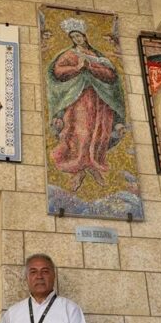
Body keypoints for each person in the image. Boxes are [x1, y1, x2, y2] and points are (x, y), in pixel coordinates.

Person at [46, 18, 126, 192]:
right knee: (80, 131)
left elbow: (111, 75)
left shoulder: (97, 56)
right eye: (73, 37)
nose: (77, 39)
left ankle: (93, 164)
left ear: (84, 36)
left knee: (100, 131)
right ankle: (79, 169)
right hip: (80, 98)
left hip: (100, 99)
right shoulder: (70, 54)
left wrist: (92, 68)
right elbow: (58, 71)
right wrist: (78, 67)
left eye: (79, 36)